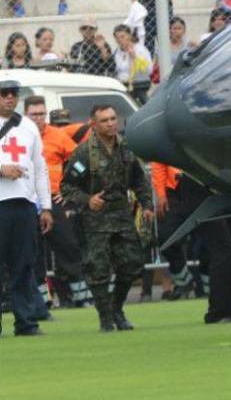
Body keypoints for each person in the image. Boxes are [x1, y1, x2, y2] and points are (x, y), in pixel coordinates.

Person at [60, 104, 153, 332]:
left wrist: (147, 204)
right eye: (104, 120)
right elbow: (66, 186)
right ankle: (106, 318)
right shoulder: (83, 153)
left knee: (132, 264)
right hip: (95, 220)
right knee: (98, 270)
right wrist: (87, 199)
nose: (111, 123)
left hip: (122, 216)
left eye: (113, 118)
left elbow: (139, 179)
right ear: (94, 124)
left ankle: (116, 308)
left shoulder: (127, 148)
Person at [24, 95, 88, 309]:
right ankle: (42, 301)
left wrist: (69, 187)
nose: (38, 118)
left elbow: (81, 162)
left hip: (53, 198)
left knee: (68, 246)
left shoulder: (57, 136)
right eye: (34, 114)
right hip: (27, 199)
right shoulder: (19, 135)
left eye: (42, 114)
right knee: (32, 252)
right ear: (26, 114)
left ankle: (81, 297)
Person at [0, 78, 52, 336]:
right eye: (4, 93)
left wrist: (46, 206)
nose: (9, 98)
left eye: (13, 93)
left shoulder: (28, 126)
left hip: (24, 204)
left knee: (23, 265)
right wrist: (1, 170)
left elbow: (40, 168)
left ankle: (26, 321)